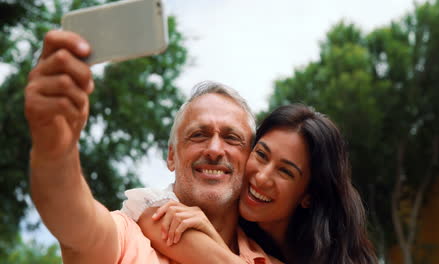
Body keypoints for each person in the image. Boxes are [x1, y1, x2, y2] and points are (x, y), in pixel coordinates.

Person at [26, 30, 277, 263]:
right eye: (198, 135)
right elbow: (75, 223)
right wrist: (55, 149)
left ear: (249, 159)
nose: (214, 149)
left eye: (232, 138)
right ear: (171, 156)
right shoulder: (126, 236)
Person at [128, 104, 377, 263]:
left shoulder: (329, 253)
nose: (261, 177)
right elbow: (151, 213)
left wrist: (211, 237)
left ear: (308, 195)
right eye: (261, 155)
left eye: (285, 171)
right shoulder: (227, 214)